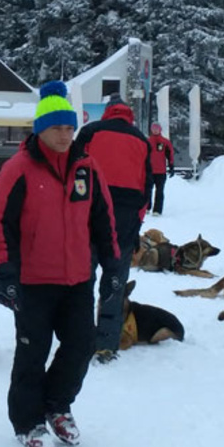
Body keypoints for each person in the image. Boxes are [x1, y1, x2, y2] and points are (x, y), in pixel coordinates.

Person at [0, 81, 118, 447]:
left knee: (82, 344)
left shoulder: (86, 167)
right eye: (57, 127)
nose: (65, 134)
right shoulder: (19, 169)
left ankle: (57, 405)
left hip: (77, 278)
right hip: (33, 281)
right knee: (33, 353)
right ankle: (28, 420)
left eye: (69, 127)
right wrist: (4, 274)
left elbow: (103, 219)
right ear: (41, 129)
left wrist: (112, 267)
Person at [74, 100, 152, 364]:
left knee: (82, 280)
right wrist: (136, 224)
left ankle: (79, 338)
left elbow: (72, 171)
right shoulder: (141, 140)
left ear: (108, 113)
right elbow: (147, 189)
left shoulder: (91, 132)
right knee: (115, 283)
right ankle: (107, 344)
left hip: (89, 216)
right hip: (125, 222)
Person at [145, 123, 174, 215]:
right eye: (153, 128)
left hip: (161, 171)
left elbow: (170, 154)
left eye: (157, 128)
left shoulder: (165, 142)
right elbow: (143, 155)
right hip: (149, 170)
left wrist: (171, 166)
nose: (155, 130)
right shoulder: (147, 142)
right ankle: (146, 207)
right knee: (147, 190)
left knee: (159, 191)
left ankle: (157, 210)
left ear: (160, 130)